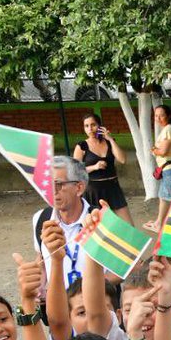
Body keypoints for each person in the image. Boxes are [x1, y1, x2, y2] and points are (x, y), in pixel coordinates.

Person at [31, 155, 91, 288]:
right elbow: (42, 259)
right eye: (48, 185)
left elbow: (128, 268)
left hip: (96, 300)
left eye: (58, 184)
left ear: (79, 188)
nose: (52, 191)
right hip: (58, 300)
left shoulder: (99, 218)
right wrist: (37, 286)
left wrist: (89, 289)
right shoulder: (41, 218)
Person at [75, 112, 131, 222]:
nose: (90, 129)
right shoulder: (82, 146)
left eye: (93, 125)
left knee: (128, 224)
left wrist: (110, 139)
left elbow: (122, 159)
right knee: (99, 226)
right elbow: (76, 171)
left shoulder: (109, 142)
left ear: (100, 125)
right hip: (94, 190)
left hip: (113, 188)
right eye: (86, 126)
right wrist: (94, 167)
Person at [148, 103, 171, 232]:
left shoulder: (169, 129)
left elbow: (163, 151)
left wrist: (154, 150)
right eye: (156, 116)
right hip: (167, 169)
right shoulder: (167, 129)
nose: (158, 118)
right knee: (163, 197)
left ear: (168, 116)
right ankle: (159, 223)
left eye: (161, 115)